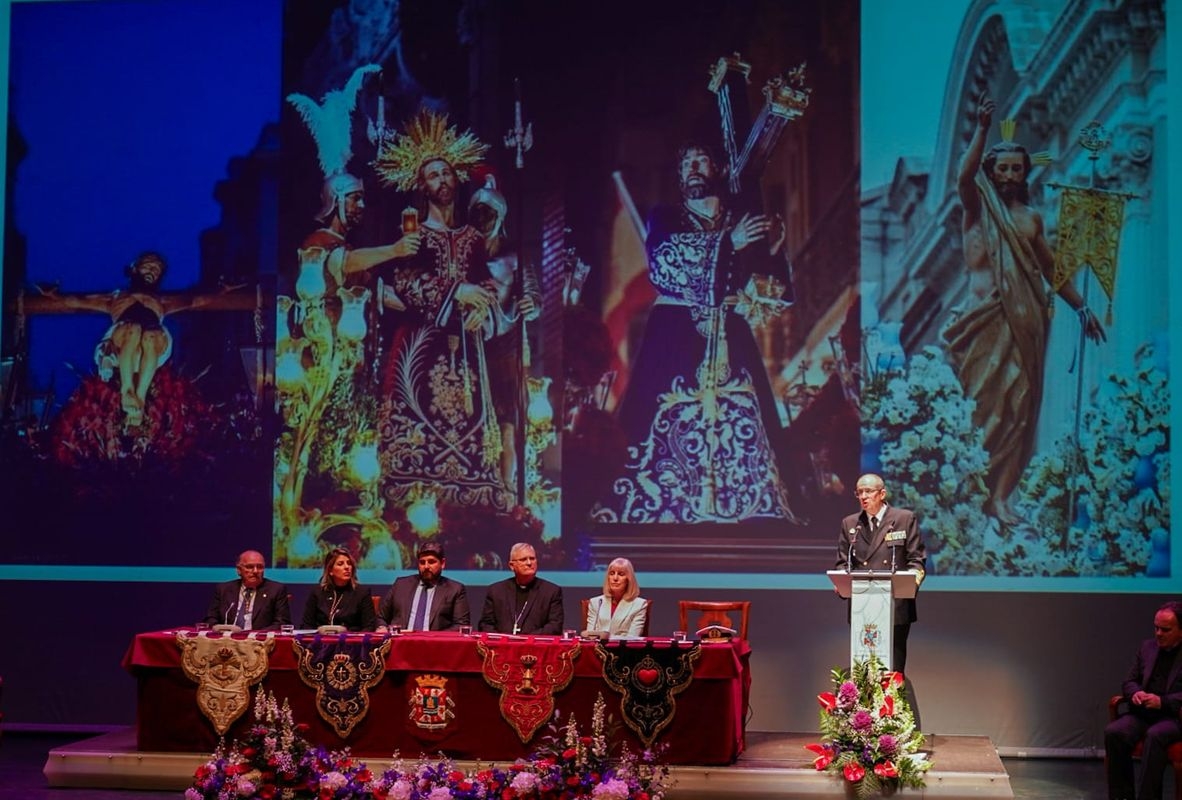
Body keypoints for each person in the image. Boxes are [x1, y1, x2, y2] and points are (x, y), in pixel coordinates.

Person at [601, 142, 798, 524]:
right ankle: (664, 503)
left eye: (700, 160)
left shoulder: (740, 220)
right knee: (663, 411)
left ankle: (749, 504)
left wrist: (772, 249)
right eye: (686, 162)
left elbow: (771, 293)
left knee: (744, 408)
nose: (692, 167)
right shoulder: (666, 216)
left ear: (718, 169)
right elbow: (662, 262)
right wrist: (730, 244)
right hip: (676, 333)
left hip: (730, 331)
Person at [945, 95, 1106, 524]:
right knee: (978, 406)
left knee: (1017, 404)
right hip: (981, 322)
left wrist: (1082, 307)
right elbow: (963, 175)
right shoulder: (977, 209)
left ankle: (1001, 496)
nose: (1011, 175)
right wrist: (982, 128)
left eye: (1018, 168)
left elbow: (1053, 270)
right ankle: (967, 487)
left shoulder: (1031, 220)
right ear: (991, 173)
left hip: (1024, 325)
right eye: (1004, 168)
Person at [372, 108, 512, 512]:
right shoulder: (412, 234)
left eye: (447, 172)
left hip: (467, 347)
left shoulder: (471, 235)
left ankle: (472, 504)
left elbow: (484, 278)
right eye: (433, 175)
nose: (443, 180)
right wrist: (457, 292)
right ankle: (413, 500)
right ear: (421, 185)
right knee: (419, 420)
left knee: (468, 418)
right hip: (420, 343)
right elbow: (407, 281)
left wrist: (482, 303)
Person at [33, 252, 247, 426]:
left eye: (157, 269)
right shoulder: (115, 298)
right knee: (133, 328)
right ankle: (127, 389)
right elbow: (78, 301)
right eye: (149, 265)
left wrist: (223, 290)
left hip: (150, 347)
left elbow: (196, 300)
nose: (153, 270)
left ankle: (140, 397)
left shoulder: (162, 301)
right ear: (134, 268)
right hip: (120, 344)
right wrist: (53, 296)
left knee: (150, 333)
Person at [834, 473, 926, 675]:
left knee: (893, 669)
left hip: (895, 606)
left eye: (868, 491)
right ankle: (863, 707)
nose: (863, 496)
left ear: (882, 493)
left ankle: (893, 706)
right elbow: (842, 562)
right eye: (859, 492)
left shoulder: (903, 519)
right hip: (862, 606)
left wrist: (910, 584)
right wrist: (841, 580)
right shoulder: (850, 524)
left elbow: (916, 561)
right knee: (864, 667)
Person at [1104, 601, 1182, 800]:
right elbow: (1129, 681)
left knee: (1155, 735)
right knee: (1114, 732)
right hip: (1143, 713)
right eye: (1156, 628)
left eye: (1165, 629)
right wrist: (1136, 693)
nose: (1158, 634)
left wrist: (1162, 702)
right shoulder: (1148, 647)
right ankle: (1122, 796)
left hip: (1173, 717)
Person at [376, 543, 470, 632]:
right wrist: (382, 627)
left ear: (442, 563)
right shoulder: (400, 585)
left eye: (431, 562)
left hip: (435, 645)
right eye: (422, 562)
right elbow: (381, 617)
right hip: (401, 643)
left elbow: (460, 625)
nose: (426, 566)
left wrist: (434, 638)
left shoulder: (455, 589)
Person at [479, 542, 563, 634]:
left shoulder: (551, 591)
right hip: (502, 647)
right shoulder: (496, 591)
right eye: (523, 559)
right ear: (511, 565)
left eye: (532, 558)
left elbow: (555, 626)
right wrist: (505, 641)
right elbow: (485, 625)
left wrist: (525, 641)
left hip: (535, 647)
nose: (529, 563)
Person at [202, 550, 291, 631]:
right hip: (227, 641)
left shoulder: (276, 589)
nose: (255, 571)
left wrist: (253, 635)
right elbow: (211, 619)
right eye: (249, 567)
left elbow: (282, 623)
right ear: (239, 570)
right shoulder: (224, 589)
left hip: (260, 643)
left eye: (260, 567)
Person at [301, 547, 378, 632]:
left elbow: (369, 627)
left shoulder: (361, 592)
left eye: (349, 563)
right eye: (340, 564)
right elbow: (306, 625)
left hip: (352, 643)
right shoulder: (317, 592)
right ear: (330, 570)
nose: (347, 567)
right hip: (320, 642)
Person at [584, 557, 648, 638]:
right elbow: (589, 636)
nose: (615, 578)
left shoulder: (639, 605)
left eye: (621, 574)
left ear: (629, 579)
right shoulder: (596, 602)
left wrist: (605, 636)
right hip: (598, 649)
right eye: (612, 573)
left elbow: (632, 638)